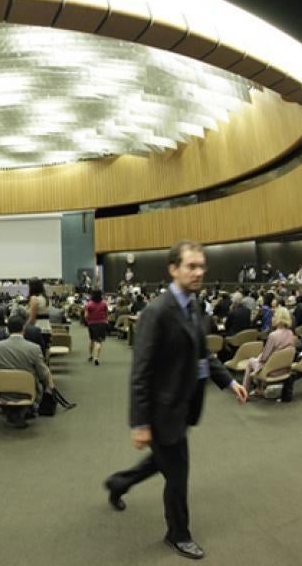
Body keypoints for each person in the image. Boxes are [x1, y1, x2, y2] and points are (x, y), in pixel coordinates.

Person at [104, 240, 247, 561]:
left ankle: (118, 483)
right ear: (173, 269)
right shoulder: (157, 311)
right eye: (191, 266)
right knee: (178, 476)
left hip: (183, 406)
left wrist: (228, 381)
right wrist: (140, 423)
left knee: (161, 462)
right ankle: (178, 534)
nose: (199, 272)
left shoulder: (193, 305)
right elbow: (140, 373)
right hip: (161, 411)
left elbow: (203, 353)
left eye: (201, 266)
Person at [0, 315, 54, 428]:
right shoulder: (34, 348)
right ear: (23, 329)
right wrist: (50, 385)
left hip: (2, 389)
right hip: (27, 391)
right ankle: (21, 412)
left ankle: (12, 411)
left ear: (7, 329)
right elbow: (43, 373)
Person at [242, 307, 296, 394]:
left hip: (271, 371)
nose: (272, 318)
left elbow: (264, 358)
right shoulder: (291, 333)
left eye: (274, 316)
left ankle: (244, 392)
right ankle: (259, 389)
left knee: (251, 361)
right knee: (259, 360)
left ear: (278, 318)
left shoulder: (273, 335)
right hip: (284, 369)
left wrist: (258, 358)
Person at [85, 289, 109, 366]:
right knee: (98, 341)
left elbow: (86, 315)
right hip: (102, 323)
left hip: (92, 324)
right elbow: (106, 313)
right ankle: (96, 358)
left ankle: (90, 355)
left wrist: (88, 320)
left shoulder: (89, 304)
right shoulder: (104, 304)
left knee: (92, 339)